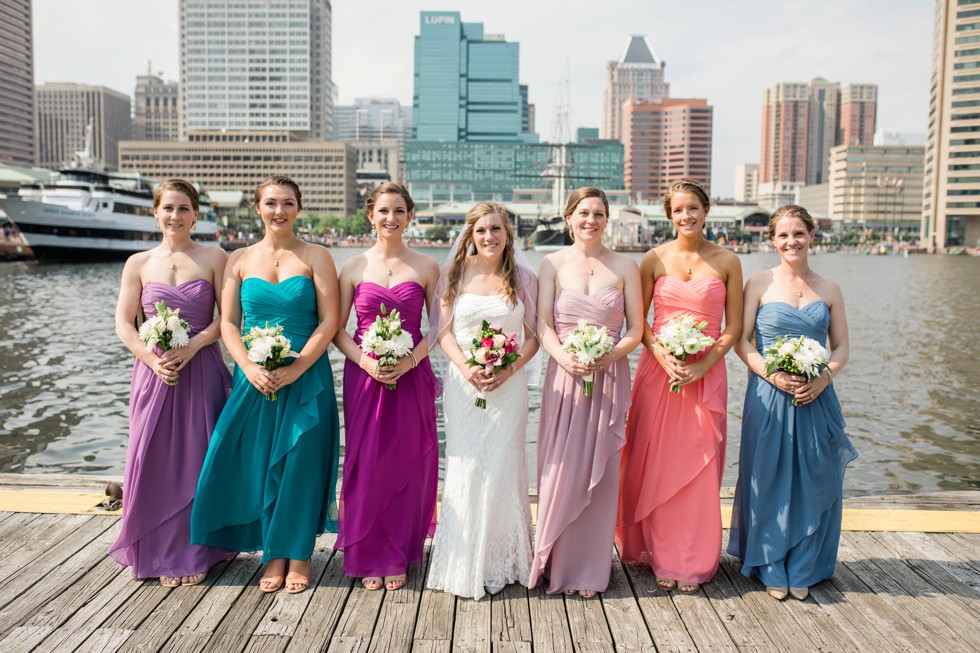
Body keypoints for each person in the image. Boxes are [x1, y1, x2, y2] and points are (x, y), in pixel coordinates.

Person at [190, 175, 341, 594]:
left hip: (306, 375)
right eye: (271, 203)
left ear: (298, 208)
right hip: (253, 376)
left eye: (288, 203)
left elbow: (329, 321)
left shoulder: (317, 256)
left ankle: (299, 554)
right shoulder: (238, 260)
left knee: (301, 463)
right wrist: (249, 368)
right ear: (258, 208)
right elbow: (229, 323)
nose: (279, 211)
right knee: (254, 461)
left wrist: (297, 367)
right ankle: (271, 552)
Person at [616, 178, 743, 594]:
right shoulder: (652, 260)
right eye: (677, 210)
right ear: (669, 216)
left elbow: (734, 327)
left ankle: (691, 558)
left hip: (705, 375)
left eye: (693, 208)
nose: (685, 216)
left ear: (707, 210)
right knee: (655, 462)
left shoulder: (727, 261)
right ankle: (659, 552)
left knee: (699, 466)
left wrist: (704, 362)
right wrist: (661, 354)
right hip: (660, 373)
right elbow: (641, 323)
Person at [728, 204, 856, 601]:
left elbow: (842, 347)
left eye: (798, 233)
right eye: (783, 235)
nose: (791, 241)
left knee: (815, 477)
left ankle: (805, 564)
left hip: (815, 396)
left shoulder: (830, 288)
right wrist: (771, 373)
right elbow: (741, 341)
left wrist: (823, 378)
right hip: (768, 394)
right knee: (767, 476)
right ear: (772, 239)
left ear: (812, 235)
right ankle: (770, 563)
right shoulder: (759, 283)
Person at [109, 179, 233, 587]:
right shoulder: (138, 263)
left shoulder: (216, 257)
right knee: (153, 459)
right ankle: (158, 550)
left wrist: (194, 345)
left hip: (201, 369)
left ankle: (196, 550)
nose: (176, 216)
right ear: (156, 213)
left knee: (200, 457)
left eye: (184, 208)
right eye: (168, 208)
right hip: (154, 374)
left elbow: (230, 320)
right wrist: (151, 358)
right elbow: (125, 324)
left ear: (196, 214)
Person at [530, 187, 643, 598]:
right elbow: (542, 325)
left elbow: (636, 330)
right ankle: (555, 562)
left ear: (607, 219)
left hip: (609, 375)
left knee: (603, 472)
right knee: (559, 469)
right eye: (582, 213)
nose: (590, 220)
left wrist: (609, 355)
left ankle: (591, 571)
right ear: (568, 218)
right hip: (564, 377)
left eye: (598, 213)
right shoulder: (551, 264)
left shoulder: (627, 266)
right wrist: (565, 357)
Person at [426, 201, 539, 600]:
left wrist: (507, 369)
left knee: (503, 463)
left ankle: (502, 559)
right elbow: (442, 332)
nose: (489, 237)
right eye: (481, 231)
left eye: (496, 229)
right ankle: (462, 558)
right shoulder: (455, 273)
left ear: (508, 234)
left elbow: (534, 338)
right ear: (470, 235)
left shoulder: (523, 277)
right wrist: (467, 367)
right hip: (464, 384)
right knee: (467, 463)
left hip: (509, 386)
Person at [333, 183, 441, 592]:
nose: (391, 218)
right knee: (367, 461)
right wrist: (367, 362)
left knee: (408, 460)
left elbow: (437, 329)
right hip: (364, 375)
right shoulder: (353, 267)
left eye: (399, 211)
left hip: (412, 374)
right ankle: (366, 551)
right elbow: (338, 330)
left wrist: (409, 361)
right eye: (383, 211)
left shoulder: (428, 266)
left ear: (410, 216)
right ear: (370, 216)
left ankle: (397, 552)